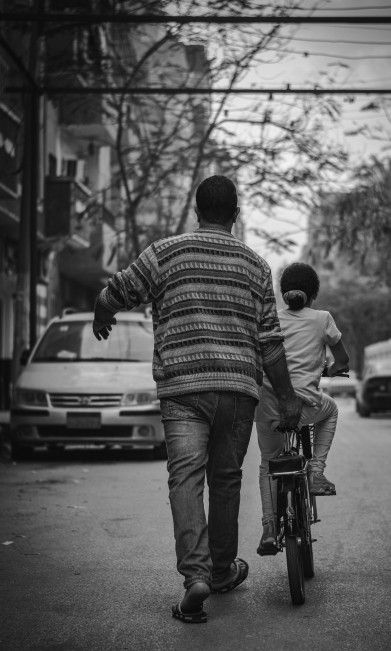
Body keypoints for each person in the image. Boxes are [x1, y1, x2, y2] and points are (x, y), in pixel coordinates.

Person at [92, 175, 302, 624]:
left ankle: (197, 578)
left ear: (195, 209)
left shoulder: (165, 252)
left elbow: (120, 290)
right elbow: (270, 342)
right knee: (226, 479)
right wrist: (286, 397)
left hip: (183, 390)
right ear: (236, 214)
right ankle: (222, 571)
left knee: (185, 479)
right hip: (238, 391)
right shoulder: (256, 265)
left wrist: (102, 308)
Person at [255, 262, 350, 556]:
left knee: (268, 462)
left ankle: (269, 529)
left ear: (282, 293)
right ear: (313, 295)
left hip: (269, 408)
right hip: (306, 407)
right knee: (331, 410)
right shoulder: (322, 319)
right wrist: (332, 370)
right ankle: (316, 471)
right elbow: (342, 358)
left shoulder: (268, 320)